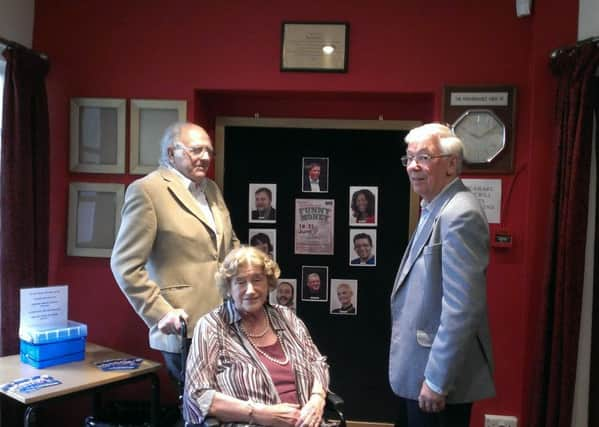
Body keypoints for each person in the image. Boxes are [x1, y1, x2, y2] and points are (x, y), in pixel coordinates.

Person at [110, 122, 239, 388]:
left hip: (225, 320)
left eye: (209, 152)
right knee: (198, 409)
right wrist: (160, 313)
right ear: (171, 153)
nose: (205, 157)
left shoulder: (211, 189)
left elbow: (228, 245)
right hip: (183, 326)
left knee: (225, 405)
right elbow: (124, 265)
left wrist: (250, 273)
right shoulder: (147, 191)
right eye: (196, 150)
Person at [389, 123, 495, 427]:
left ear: (451, 164)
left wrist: (437, 380)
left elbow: (462, 308)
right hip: (417, 373)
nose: (413, 167)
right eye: (408, 158)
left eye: (423, 157)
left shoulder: (459, 213)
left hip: (437, 381)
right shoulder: (434, 207)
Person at [183, 246, 329, 427]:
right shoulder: (211, 326)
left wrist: (317, 400)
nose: (250, 290)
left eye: (257, 279)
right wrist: (260, 414)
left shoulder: (286, 317)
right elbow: (196, 396)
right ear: (228, 287)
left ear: (268, 283)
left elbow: (318, 363)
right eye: (240, 282)